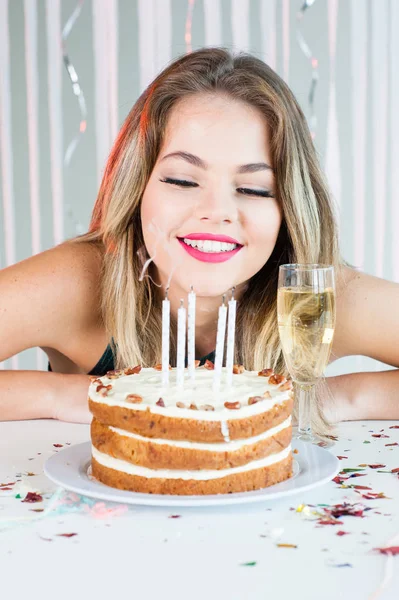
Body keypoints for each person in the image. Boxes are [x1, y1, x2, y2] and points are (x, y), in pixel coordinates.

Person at [0, 47, 398, 431]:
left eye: (255, 189)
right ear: (137, 189)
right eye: (182, 180)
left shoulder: (313, 302)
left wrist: (334, 397)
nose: (217, 210)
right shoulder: (80, 282)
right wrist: (65, 395)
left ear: (289, 209)